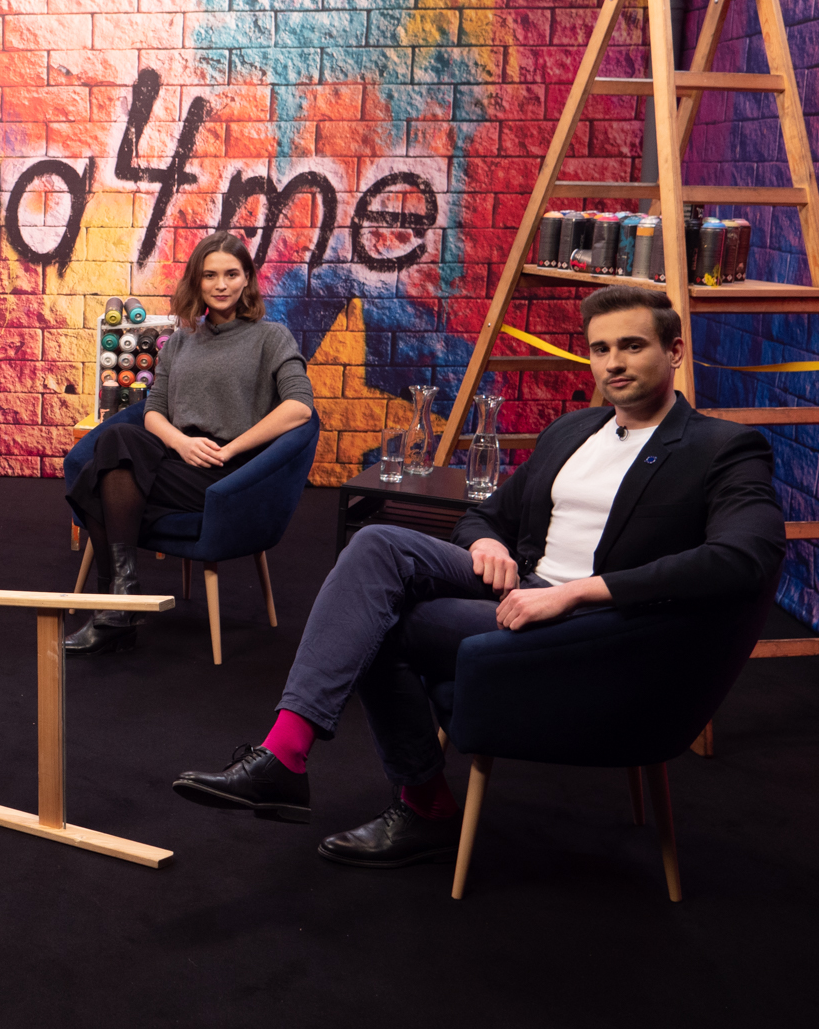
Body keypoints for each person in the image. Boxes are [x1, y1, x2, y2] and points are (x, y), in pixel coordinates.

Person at [170, 286, 786, 867]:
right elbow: (487, 514)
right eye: (601, 349)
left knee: (383, 625)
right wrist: (488, 542)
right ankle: (285, 752)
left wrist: (577, 593)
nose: (613, 363)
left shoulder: (722, 447)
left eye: (632, 345)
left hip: (598, 624)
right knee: (377, 543)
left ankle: (419, 805)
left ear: (674, 351)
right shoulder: (575, 431)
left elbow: (746, 557)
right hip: (523, 587)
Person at [65, 232, 316, 654]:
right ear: (196, 281)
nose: (221, 285)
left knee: (98, 475)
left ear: (247, 278)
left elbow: (300, 408)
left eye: (231, 274)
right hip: (178, 459)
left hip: (231, 473)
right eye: (210, 275)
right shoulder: (180, 340)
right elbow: (153, 411)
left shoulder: (271, 337)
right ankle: (120, 604)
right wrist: (181, 443)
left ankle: (115, 608)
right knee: (118, 438)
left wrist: (231, 449)